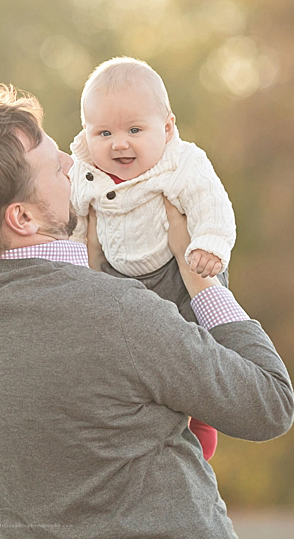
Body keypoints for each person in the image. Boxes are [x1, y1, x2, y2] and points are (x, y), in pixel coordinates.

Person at [0, 84, 294, 539]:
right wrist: (203, 286)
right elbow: (269, 404)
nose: (75, 165)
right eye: (54, 167)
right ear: (22, 217)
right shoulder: (117, 315)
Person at [69, 57, 237, 459]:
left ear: (167, 128)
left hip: (179, 273)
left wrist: (210, 245)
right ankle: (140, 416)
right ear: (86, 134)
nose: (119, 143)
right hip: (116, 275)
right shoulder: (84, 172)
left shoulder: (182, 163)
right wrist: (75, 269)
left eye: (134, 130)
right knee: (125, 356)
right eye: (104, 132)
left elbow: (211, 204)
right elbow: (74, 223)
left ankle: (202, 416)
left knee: (195, 344)